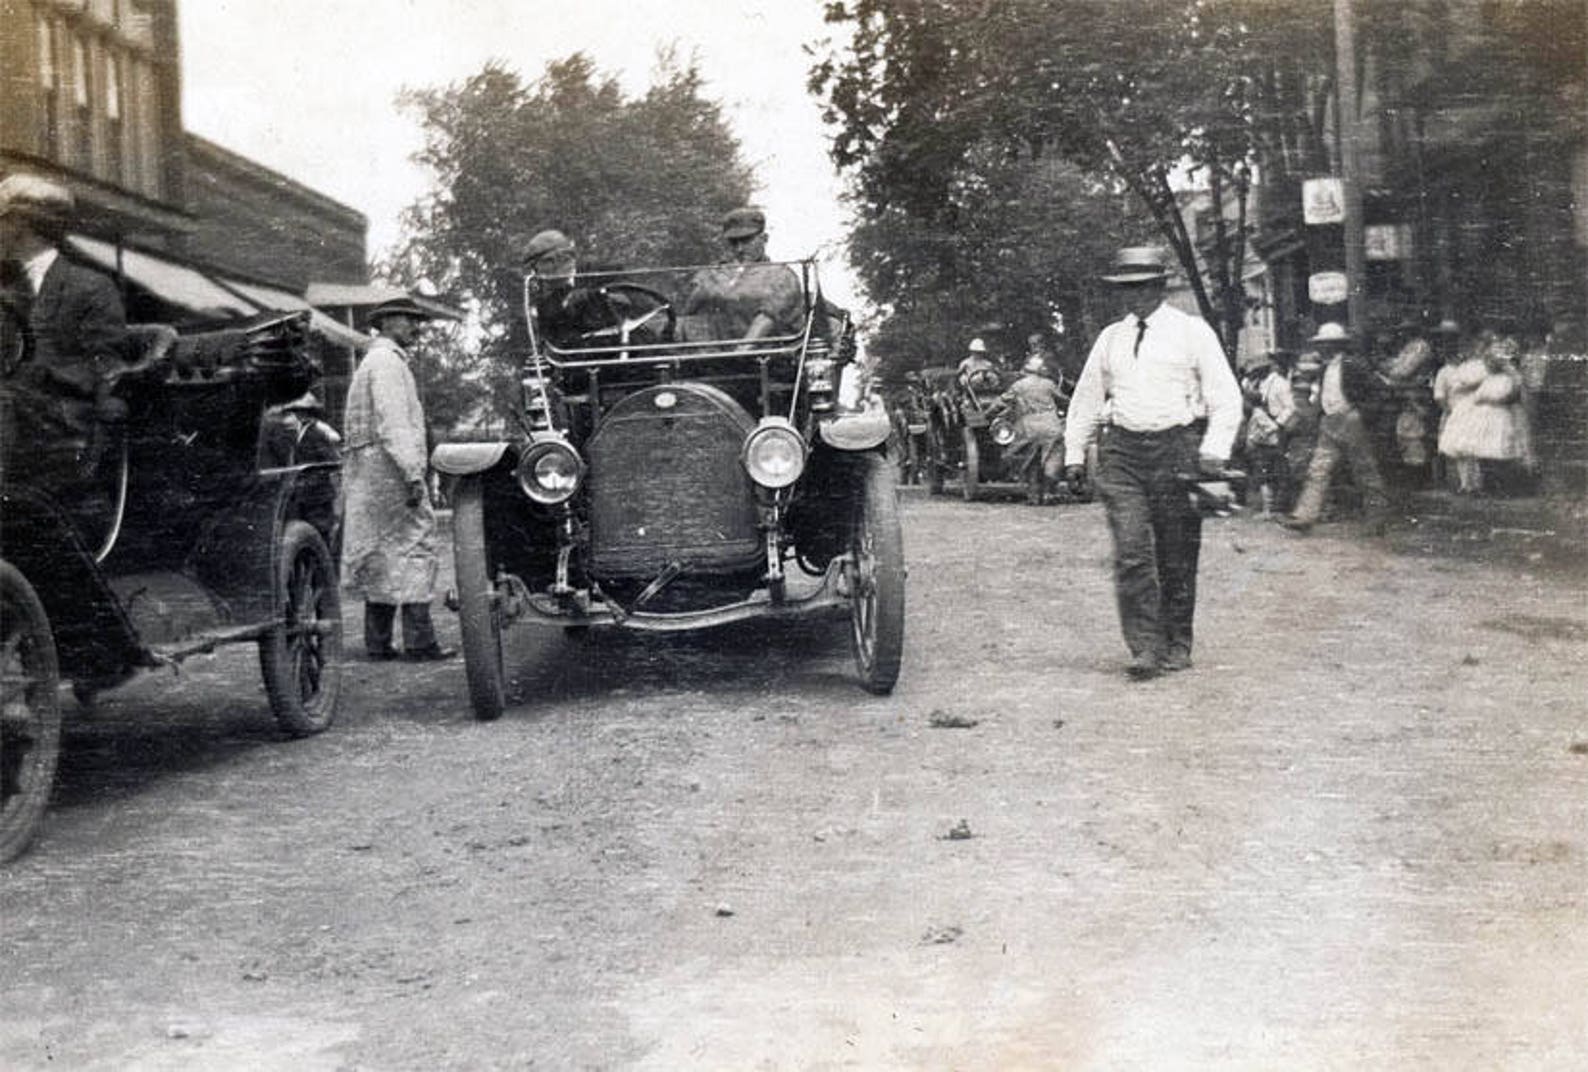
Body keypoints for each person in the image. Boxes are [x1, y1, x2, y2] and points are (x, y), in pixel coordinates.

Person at [1062, 246, 1242, 680]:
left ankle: (1177, 641)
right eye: (1126, 290)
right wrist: (1073, 454)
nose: (1134, 297)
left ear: (1160, 287)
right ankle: (1144, 647)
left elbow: (1226, 395)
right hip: (1121, 453)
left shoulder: (1191, 332)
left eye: (1143, 287)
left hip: (1176, 450)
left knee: (1176, 553)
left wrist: (1215, 448)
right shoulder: (1111, 338)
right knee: (1131, 552)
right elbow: (1087, 399)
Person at [0, 174, 129, 491]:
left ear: (22, 223)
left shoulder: (91, 286)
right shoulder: (5, 287)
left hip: (64, 420)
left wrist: (32, 376)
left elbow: (105, 369)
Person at [341, 296, 453, 662]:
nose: (417, 328)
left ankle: (378, 642)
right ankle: (420, 642)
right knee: (415, 546)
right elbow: (393, 424)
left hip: (369, 470)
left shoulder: (372, 361)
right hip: (389, 469)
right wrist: (411, 473)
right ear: (387, 322)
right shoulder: (387, 364)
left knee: (381, 552)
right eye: (410, 321)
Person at [1282, 322, 1389, 533]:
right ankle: (1305, 516)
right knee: (1318, 469)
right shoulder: (1325, 368)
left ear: (1337, 345)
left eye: (1327, 344)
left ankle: (1377, 519)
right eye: (1323, 345)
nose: (1324, 348)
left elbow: (1378, 391)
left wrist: (1362, 413)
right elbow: (1324, 395)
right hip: (1329, 421)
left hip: (1350, 419)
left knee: (1364, 470)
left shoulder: (1354, 365)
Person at [681, 207, 804, 343]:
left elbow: (767, 317)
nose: (739, 249)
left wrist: (741, 352)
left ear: (764, 238)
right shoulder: (711, 274)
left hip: (766, 355)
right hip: (715, 355)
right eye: (733, 242)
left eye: (746, 241)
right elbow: (687, 316)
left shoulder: (781, 275)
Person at [1000, 353, 1068, 504]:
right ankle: (1050, 492)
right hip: (1051, 426)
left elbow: (1002, 402)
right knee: (1051, 457)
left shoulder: (1019, 385)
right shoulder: (1049, 384)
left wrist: (988, 413)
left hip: (1028, 427)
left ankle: (1033, 496)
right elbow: (1064, 400)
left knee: (1028, 459)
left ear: (1026, 370)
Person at [1242, 350, 1297, 517]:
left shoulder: (1280, 384)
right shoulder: (1260, 384)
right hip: (1262, 430)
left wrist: (1277, 424)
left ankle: (1279, 508)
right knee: (1264, 469)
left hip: (1276, 428)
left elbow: (1291, 407)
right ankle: (1269, 508)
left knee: (1279, 469)